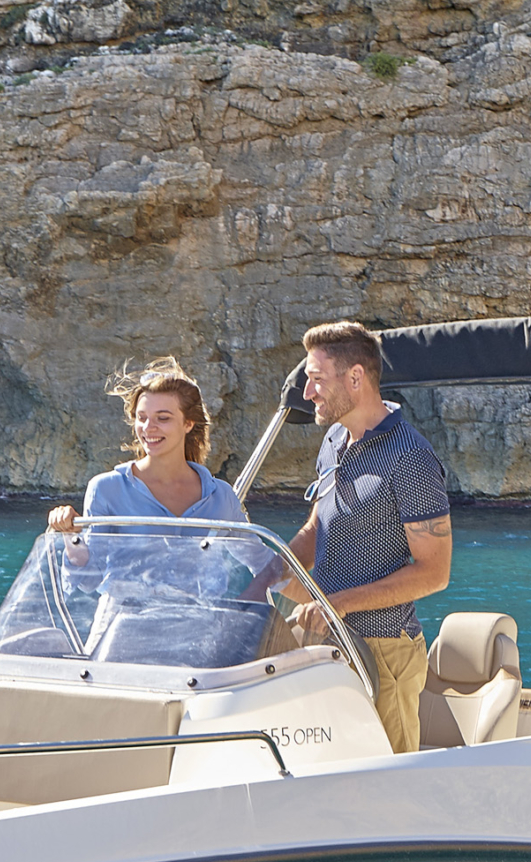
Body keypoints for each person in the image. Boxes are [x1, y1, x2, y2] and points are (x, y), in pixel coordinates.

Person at [280, 319, 452, 754]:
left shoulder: (411, 458)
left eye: (317, 379)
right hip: (327, 642)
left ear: (355, 378)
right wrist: (271, 566)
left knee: (388, 781)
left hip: (385, 650)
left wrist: (336, 604)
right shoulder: (333, 440)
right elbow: (317, 527)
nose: (307, 392)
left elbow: (434, 573)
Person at [46, 358, 247, 531]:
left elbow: (259, 559)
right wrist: (70, 533)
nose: (148, 428)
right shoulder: (106, 489)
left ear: (188, 424)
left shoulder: (222, 496)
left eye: (163, 418)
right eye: (142, 418)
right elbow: (89, 562)